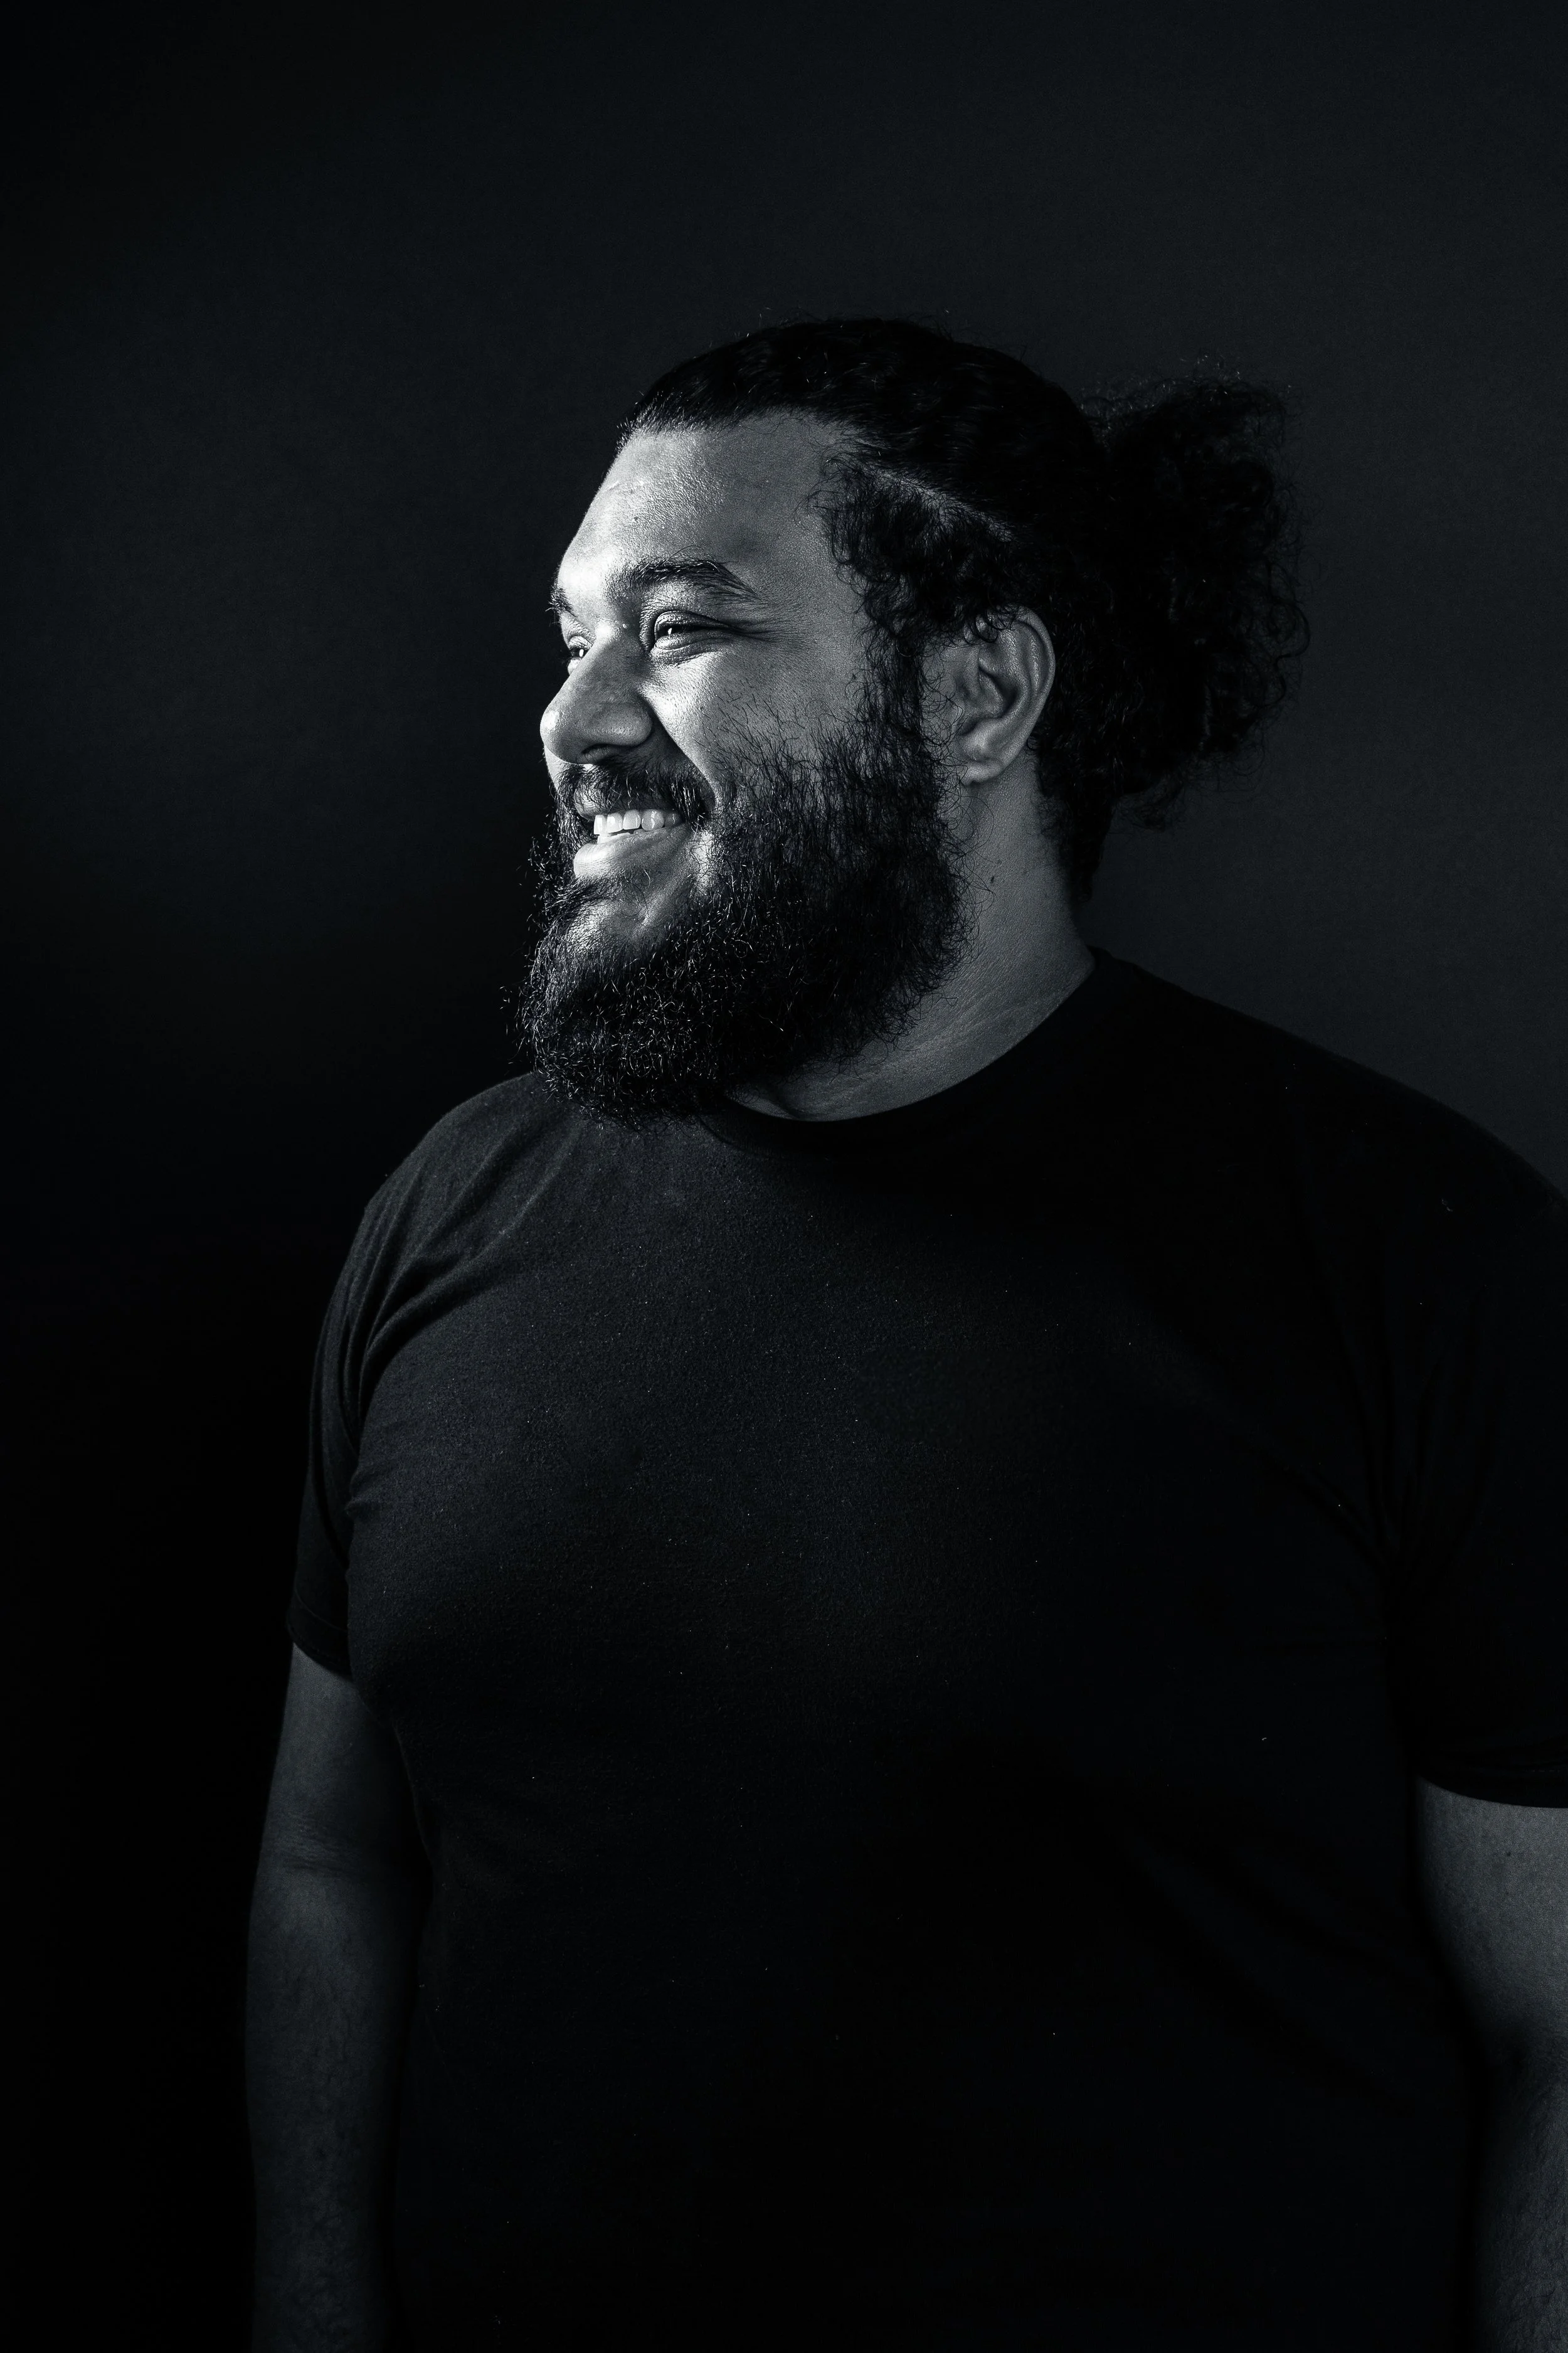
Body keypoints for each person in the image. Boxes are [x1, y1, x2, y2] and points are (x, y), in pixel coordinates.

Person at [247, 318, 1568, 2352]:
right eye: (571, 638)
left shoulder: (1409, 1259)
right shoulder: (452, 1209)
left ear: (975, 692)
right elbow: (334, 1860)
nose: (571, 717)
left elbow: (1557, 2022)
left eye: (678, 628)